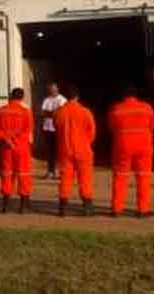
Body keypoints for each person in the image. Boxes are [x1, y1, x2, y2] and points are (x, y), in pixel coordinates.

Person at [108, 84, 154, 218]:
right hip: (143, 145)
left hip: (122, 145)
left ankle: (117, 209)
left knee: (120, 176)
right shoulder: (147, 108)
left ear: (123, 96)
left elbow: (112, 127)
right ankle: (143, 209)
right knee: (143, 176)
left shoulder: (116, 109)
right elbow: (152, 127)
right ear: (136, 95)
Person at [53, 84, 96, 217]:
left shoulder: (59, 112)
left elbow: (56, 128)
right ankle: (87, 207)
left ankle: (62, 208)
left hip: (65, 149)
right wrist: (86, 143)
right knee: (85, 178)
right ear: (77, 96)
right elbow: (92, 131)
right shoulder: (85, 112)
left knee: (65, 178)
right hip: (83, 149)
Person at [0, 88, 34, 213]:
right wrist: (16, 140)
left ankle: (5, 204)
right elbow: (28, 130)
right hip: (21, 148)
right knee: (23, 174)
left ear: (11, 96)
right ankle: (23, 205)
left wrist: (5, 139)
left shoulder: (1, 111)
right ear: (22, 98)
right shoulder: (26, 111)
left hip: (6, 148)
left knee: (7, 174)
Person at [42, 83, 67, 179]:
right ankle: (50, 171)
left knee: (60, 151)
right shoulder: (47, 99)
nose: (52, 90)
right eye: (50, 89)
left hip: (58, 128)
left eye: (53, 88)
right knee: (50, 151)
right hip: (47, 128)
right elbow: (43, 112)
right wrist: (52, 113)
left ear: (57, 89)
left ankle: (61, 171)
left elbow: (59, 113)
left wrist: (51, 113)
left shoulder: (62, 99)